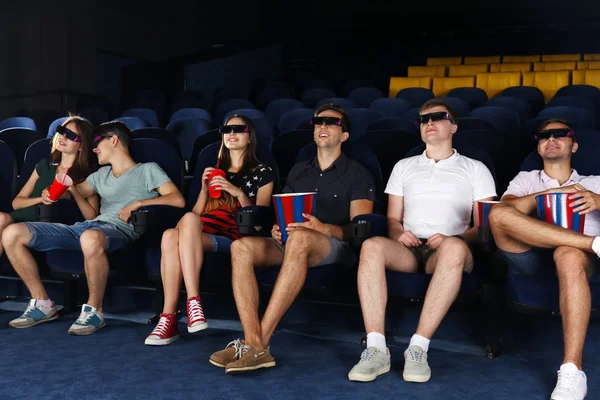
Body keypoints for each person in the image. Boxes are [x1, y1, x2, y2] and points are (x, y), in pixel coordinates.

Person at [210, 103, 376, 373]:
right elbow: (283, 212)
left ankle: (258, 343)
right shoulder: (300, 170)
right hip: (294, 241)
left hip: (335, 245)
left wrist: (324, 229)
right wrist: (276, 227)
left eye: (331, 123)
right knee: (241, 247)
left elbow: (359, 229)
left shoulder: (357, 173)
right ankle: (253, 343)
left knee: (299, 239)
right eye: (318, 122)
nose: (322, 126)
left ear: (344, 135)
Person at [347, 99, 496, 383]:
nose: (429, 122)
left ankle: (418, 347)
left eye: (438, 117)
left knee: (452, 248)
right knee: (371, 246)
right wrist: (396, 233)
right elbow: (392, 220)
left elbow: (485, 225)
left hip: (451, 249)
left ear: (453, 126)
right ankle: (376, 348)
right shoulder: (404, 166)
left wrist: (455, 238)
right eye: (424, 119)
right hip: (409, 248)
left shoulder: (475, 168)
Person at [3, 121, 185, 335]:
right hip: (87, 228)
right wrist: (53, 192)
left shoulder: (147, 170)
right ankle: (42, 303)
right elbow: (72, 191)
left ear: (114, 140)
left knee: (90, 237)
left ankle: (94, 311)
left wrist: (139, 203)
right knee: (11, 233)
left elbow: (177, 200)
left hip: (119, 231)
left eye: (98, 143)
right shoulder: (101, 175)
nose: (95, 148)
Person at [489, 119, 600, 400]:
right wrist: (549, 194)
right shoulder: (526, 178)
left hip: (581, 262)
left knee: (568, 254)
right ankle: (595, 243)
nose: (551, 139)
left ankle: (572, 371)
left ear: (574, 145)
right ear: (538, 147)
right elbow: (506, 210)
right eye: (544, 136)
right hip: (532, 259)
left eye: (560, 134)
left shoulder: (594, 183)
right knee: (498, 215)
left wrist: (598, 200)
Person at [145, 115, 274, 346]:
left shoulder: (262, 172)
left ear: (249, 135)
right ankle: (174, 314)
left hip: (232, 236)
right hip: (201, 231)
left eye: (238, 129)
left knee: (174, 233)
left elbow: (258, 222)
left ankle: (183, 308)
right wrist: (204, 189)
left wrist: (238, 192)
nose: (231, 133)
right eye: (226, 129)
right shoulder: (213, 169)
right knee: (171, 233)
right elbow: (195, 214)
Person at [0, 115, 99, 257]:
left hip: (47, 226)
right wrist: (41, 199)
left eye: (70, 135)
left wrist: (74, 192)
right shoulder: (44, 165)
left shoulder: (88, 174)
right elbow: (16, 203)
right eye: (61, 130)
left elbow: (92, 217)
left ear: (82, 145)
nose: (62, 137)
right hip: (19, 218)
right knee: (2, 218)